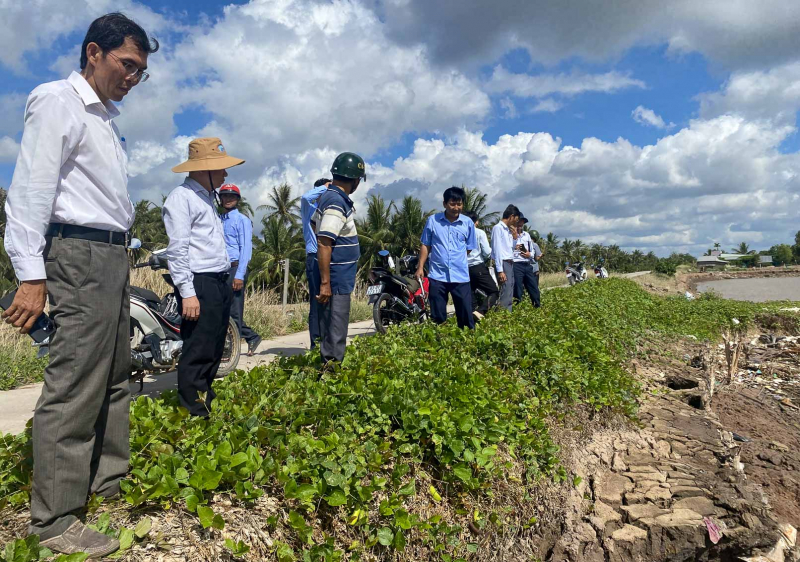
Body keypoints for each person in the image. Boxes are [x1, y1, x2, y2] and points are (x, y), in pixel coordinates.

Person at [0, 13, 158, 557]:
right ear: (94, 52)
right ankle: (55, 519)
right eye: (127, 65)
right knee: (74, 383)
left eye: (141, 71)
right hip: (77, 254)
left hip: (113, 255)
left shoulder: (106, 119)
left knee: (116, 370)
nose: (132, 79)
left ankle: (106, 480)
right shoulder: (57, 101)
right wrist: (30, 274)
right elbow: (30, 190)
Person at [163, 137, 245, 416]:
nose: (225, 174)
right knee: (198, 347)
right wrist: (187, 292)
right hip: (200, 281)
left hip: (219, 280)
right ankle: (193, 412)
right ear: (204, 169)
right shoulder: (181, 198)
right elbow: (178, 250)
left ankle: (205, 400)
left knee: (214, 345)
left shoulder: (207, 199)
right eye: (220, 169)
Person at [314, 153, 364, 364]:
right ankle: (331, 372)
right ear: (355, 180)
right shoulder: (336, 202)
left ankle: (329, 367)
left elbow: (315, 225)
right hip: (336, 277)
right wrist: (326, 283)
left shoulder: (328, 197)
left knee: (332, 324)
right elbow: (324, 242)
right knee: (336, 325)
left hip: (336, 275)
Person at [415, 189, 476, 329]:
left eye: (459, 204)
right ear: (444, 204)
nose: (456, 208)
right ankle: (440, 342)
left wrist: (457, 259)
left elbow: (469, 247)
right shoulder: (433, 221)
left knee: (465, 314)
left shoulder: (468, 223)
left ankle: (467, 341)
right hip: (437, 275)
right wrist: (420, 267)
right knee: (437, 316)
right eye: (452, 204)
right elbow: (426, 245)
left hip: (460, 275)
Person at [219, 184, 262, 356]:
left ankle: (231, 350)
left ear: (237, 200)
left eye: (232, 197)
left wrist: (239, 275)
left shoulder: (242, 220)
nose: (228, 199)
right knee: (221, 311)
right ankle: (251, 336)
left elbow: (246, 249)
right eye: (225, 196)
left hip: (235, 268)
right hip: (219, 270)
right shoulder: (218, 219)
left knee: (234, 312)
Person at [301, 178, 331, 348]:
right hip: (314, 257)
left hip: (330, 259)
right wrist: (325, 187)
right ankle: (315, 344)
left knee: (330, 301)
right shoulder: (309, 209)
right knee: (316, 301)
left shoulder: (330, 211)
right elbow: (305, 197)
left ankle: (328, 342)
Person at [463, 211, 498, 318]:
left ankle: (472, 317)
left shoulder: (460, 233)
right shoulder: (479, 232)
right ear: (476, 222)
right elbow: (487, 252)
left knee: (471, 294)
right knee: (494, 292)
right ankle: (481, 311)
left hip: (464, 268)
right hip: (477, 266)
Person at [491, 205, 521, 311]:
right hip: (503, 262)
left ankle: (508, 312)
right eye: (516, 220)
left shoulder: (508, 231)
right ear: (511, 216)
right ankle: (503, 315)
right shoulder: (498, 228)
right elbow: (497, 250)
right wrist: (500, 270)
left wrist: (515, 237)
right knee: (505, 289)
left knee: (510, 289)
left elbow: (510, 248)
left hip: (509, 262)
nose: (515, 223)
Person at [512, 216, 542, 308]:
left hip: (527, 264)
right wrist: (514, 242)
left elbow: (532, 250)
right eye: (519, 222)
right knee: (518, 289)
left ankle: (537, 306)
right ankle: (518, 308)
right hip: (516, 264)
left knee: (533, 287)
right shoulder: (510, 236)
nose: (520, 224)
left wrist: (530, 254)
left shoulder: (527, 235)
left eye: (522, 223)